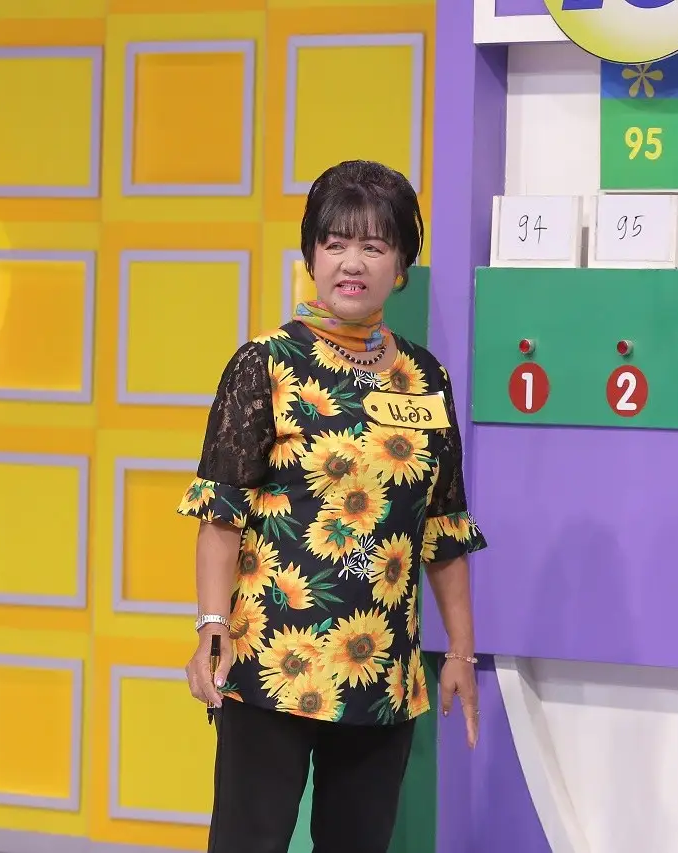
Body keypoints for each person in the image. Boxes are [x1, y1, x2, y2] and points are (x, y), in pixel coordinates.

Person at [176, 160, 487, 853]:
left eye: (374, 246)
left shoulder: (426, 376)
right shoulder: (265, 363)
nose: (352, 262)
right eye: (336, 243)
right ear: (311, 255)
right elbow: (221, 512)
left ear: (401, 266)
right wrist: (210, 625)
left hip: (382, 672)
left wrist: (461, 651)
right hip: (269, 665)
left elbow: (444, 526)